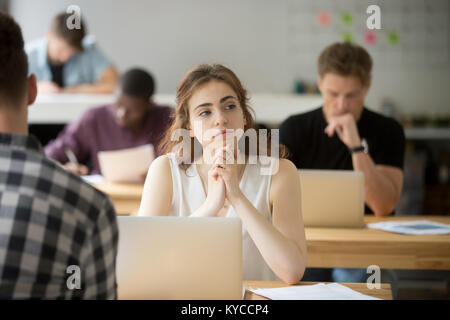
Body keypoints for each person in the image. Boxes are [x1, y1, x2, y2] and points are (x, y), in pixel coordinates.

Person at [138, 64, 307, 284]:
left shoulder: (280, 172)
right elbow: (144, 263)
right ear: (189, 125)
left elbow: (292, 271)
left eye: (229, 106)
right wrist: (210, 207)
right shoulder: (165, 171)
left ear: (244, 116)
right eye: (205, 112)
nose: (221, 119)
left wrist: (237, 197)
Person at [0, 13, 118, 299]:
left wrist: (67, 90)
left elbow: (112, 82)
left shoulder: (88, 49)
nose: (65, 57)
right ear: (32, 89)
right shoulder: (90, 208)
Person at [279, 42, 405, 283]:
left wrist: (356, 146)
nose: (341, 105)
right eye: (333, 94)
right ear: (320, 83)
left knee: (360, 281)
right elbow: (276, 203)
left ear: (366, 86)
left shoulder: (389, 130)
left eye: (351, 95)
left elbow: (383, 206)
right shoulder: (293, 128)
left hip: (367, 249)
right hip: (310, 244)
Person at [44, 68, 173, 176]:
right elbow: (50, 155)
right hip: (105, 194)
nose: (121, 114)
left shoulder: (167, 120)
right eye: (118, 104)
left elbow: (187, 161)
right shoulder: (94, 118)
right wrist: (63, 168)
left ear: (149, 105)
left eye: (132, 110)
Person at [25, 12, 118, 94]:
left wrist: (75, 90)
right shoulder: (27, 54)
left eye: (72, 52)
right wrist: (33, 87)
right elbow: (11, 88)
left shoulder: (87, 48)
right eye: (61, 49)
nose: (65, 57)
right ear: (49, 35)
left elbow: (115, 85)